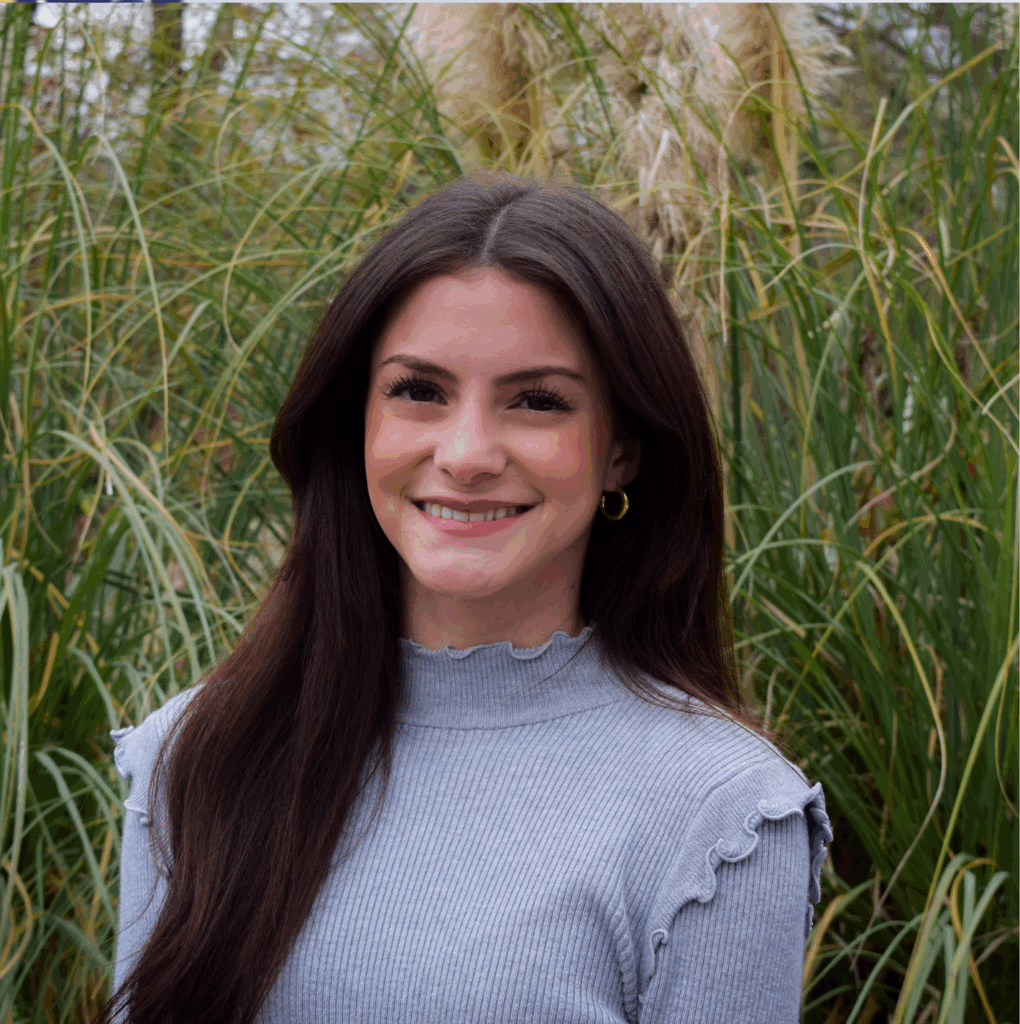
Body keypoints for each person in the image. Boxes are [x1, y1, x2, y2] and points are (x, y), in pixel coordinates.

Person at [103, 173, 831, 1024]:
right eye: (420, 391)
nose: (468, 452)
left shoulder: (724, 815)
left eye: (536, 401)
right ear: (357, 423)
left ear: (623, 451)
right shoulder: (194, 753)